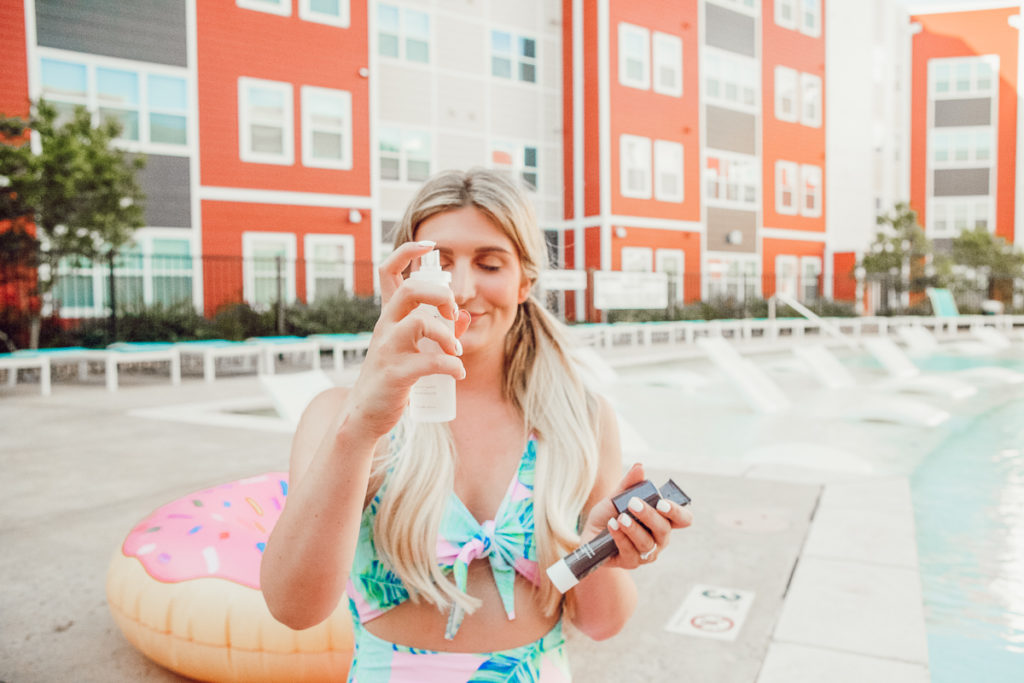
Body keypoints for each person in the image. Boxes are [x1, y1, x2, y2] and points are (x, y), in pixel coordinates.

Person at [261, 168, 693, 681]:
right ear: (403, 276)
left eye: (489, 263)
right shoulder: (339, 416)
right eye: (438, 264)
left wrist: (599, 548)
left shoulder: (580, 418)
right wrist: (358, 433)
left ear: (525, 281)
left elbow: (601, 624)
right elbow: (293, 608)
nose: (462, 290)